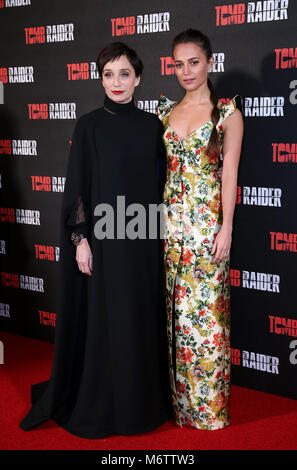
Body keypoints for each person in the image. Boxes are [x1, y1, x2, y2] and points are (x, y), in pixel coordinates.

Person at [19, 41, 171, 439]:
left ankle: (142, 402)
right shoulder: (88, 125)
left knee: (138, 317)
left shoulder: (152, 126)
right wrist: (80, 239)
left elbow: (158, 187)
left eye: (124, 73)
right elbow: (78, 188)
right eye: (108, 74)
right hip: (104, 240)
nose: (116, 82)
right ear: (100, 78)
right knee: (109, 319)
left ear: (138, 78)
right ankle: (106, 401)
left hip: (140, 238)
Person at [156, 29, 244, 430]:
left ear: (210, 62)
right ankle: (180, 407)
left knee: (206, 316)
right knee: (175, 316)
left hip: (207, 227)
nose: (186, 71)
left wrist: (226, 227)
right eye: (178, 64)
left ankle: (210, 410)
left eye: (193, 62)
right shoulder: (164, 113)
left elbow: (230, 176)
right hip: (170, 227)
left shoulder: (227, 114)